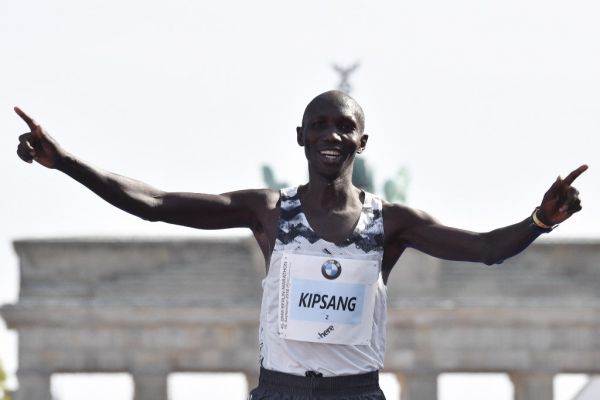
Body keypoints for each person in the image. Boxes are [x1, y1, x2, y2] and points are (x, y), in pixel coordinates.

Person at [15, 90, 586, 399]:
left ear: (362, 141)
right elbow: (157, 204)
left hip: (355, 396)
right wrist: (64, 162)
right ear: (300, 138)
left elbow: (486, 249)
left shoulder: (393, 222)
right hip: (281, 393)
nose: (330, 136)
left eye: (343, 127)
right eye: (318, 125)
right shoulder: (268, 211)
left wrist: (540, 219)